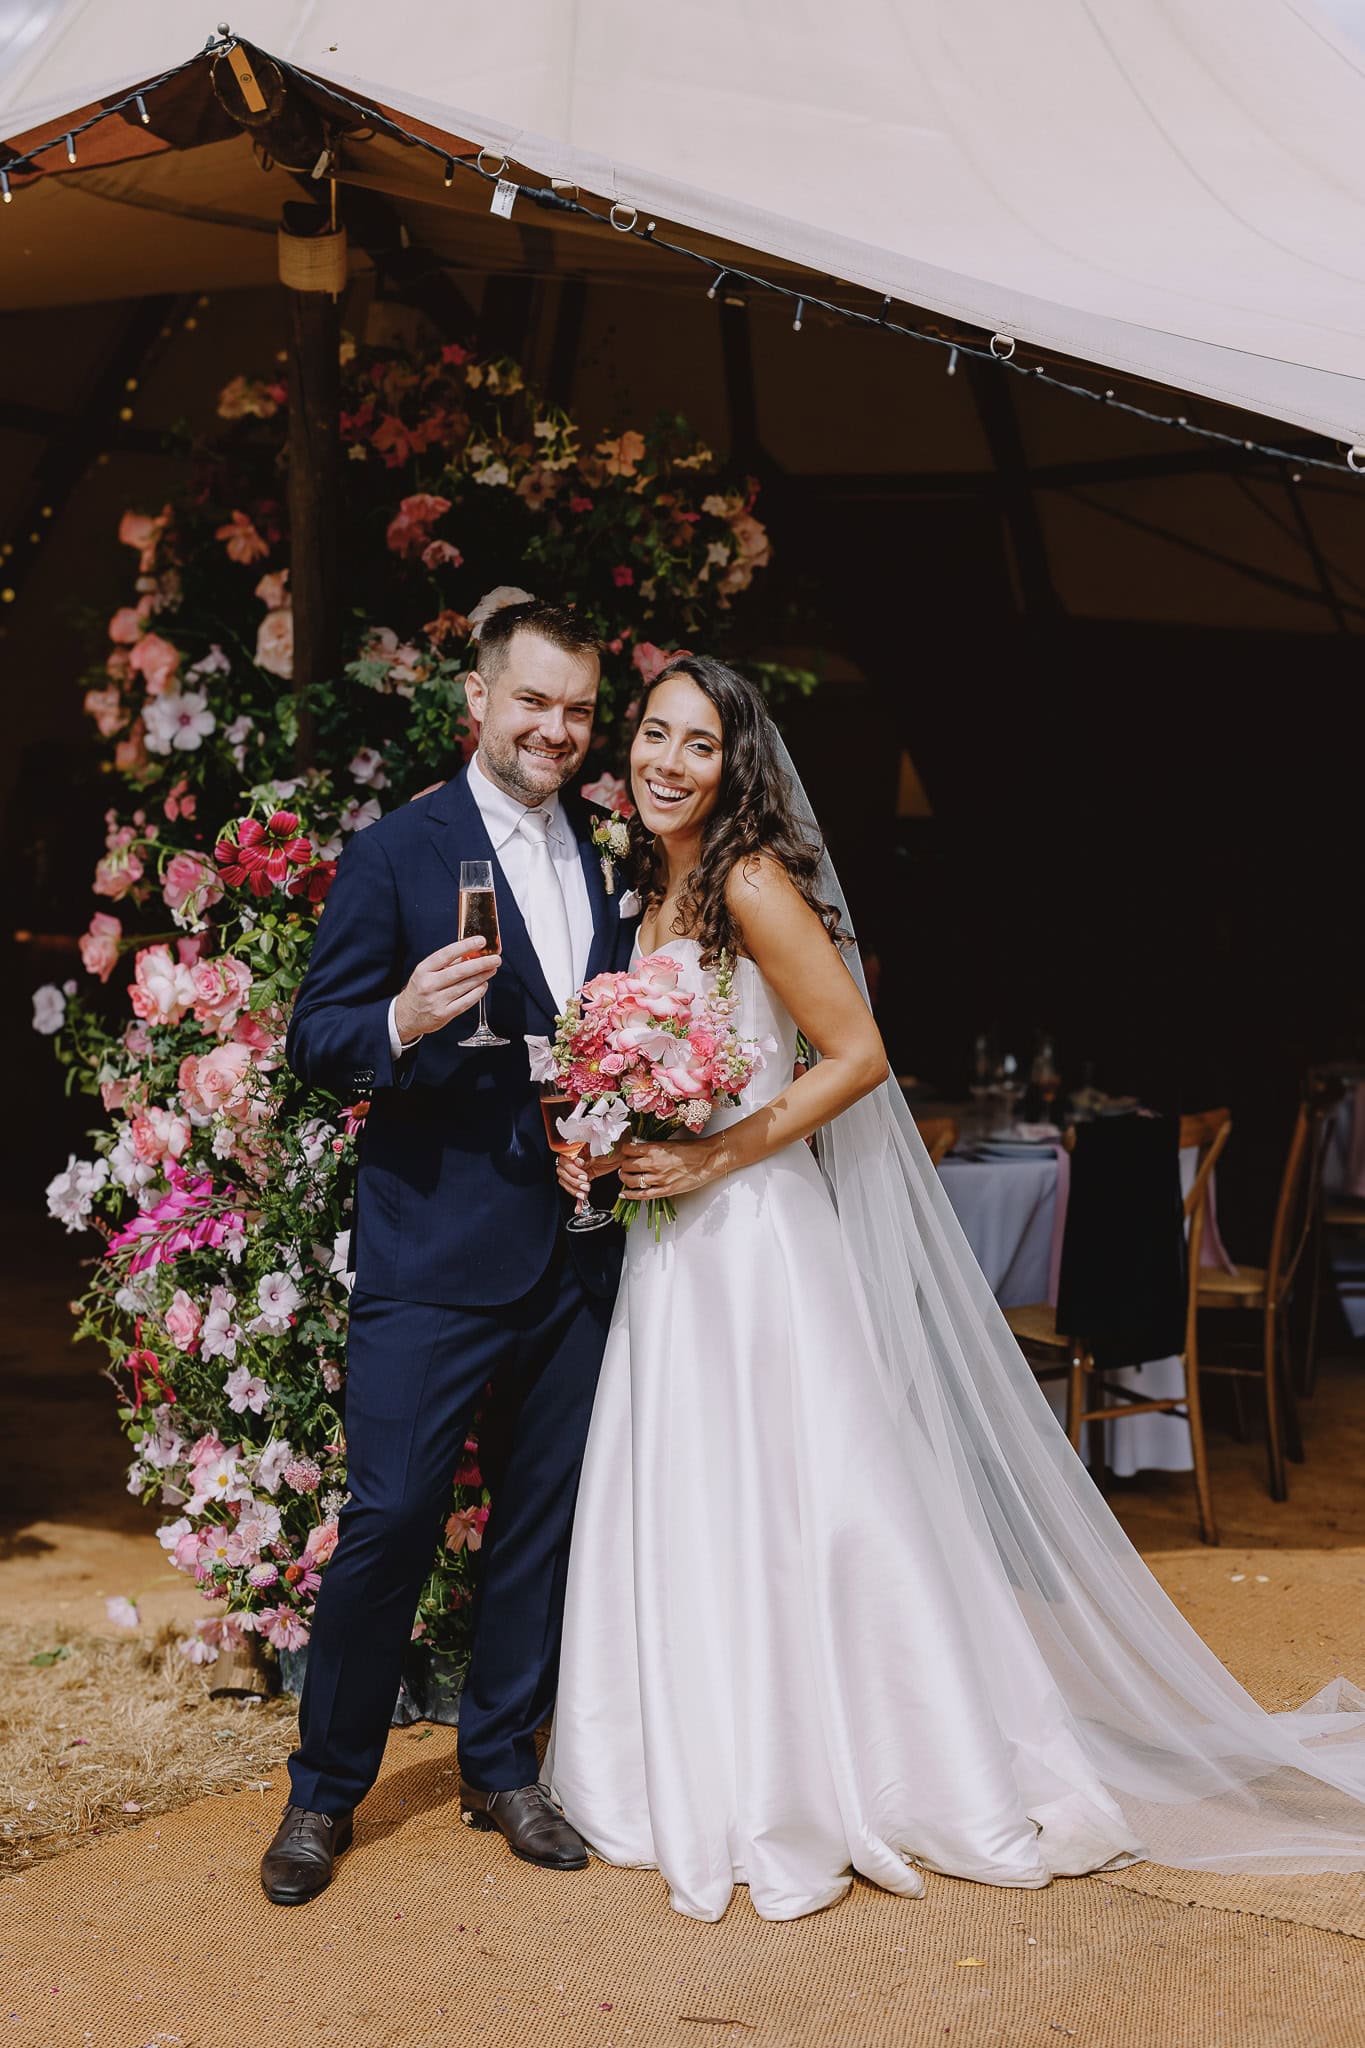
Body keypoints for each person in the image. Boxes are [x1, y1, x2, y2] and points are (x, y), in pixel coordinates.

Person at [547, 654, 1365, 1923]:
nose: (667, 761)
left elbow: (860, 1052)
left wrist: (715, 1148)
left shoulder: (753, 880)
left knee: (804, 1503)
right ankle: (692, 1757)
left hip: (757, 1236)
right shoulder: (654, 884)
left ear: (736, 763)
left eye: (698, 744)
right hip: (676, 1251)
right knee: (703, 1492)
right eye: (654, 734)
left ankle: (834, 1769)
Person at [260, 599, 639, 1906]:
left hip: (573, 1247)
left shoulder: (605, 853)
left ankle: (501, 1765)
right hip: (430, 1248)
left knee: (537, 1525)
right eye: (534, 701)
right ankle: (322, 1796)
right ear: (479, 703)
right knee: (392, 1514)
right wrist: (400, 1019)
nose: (556, 728)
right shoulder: (398, 852)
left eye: (578, 709)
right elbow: (314, 1042)